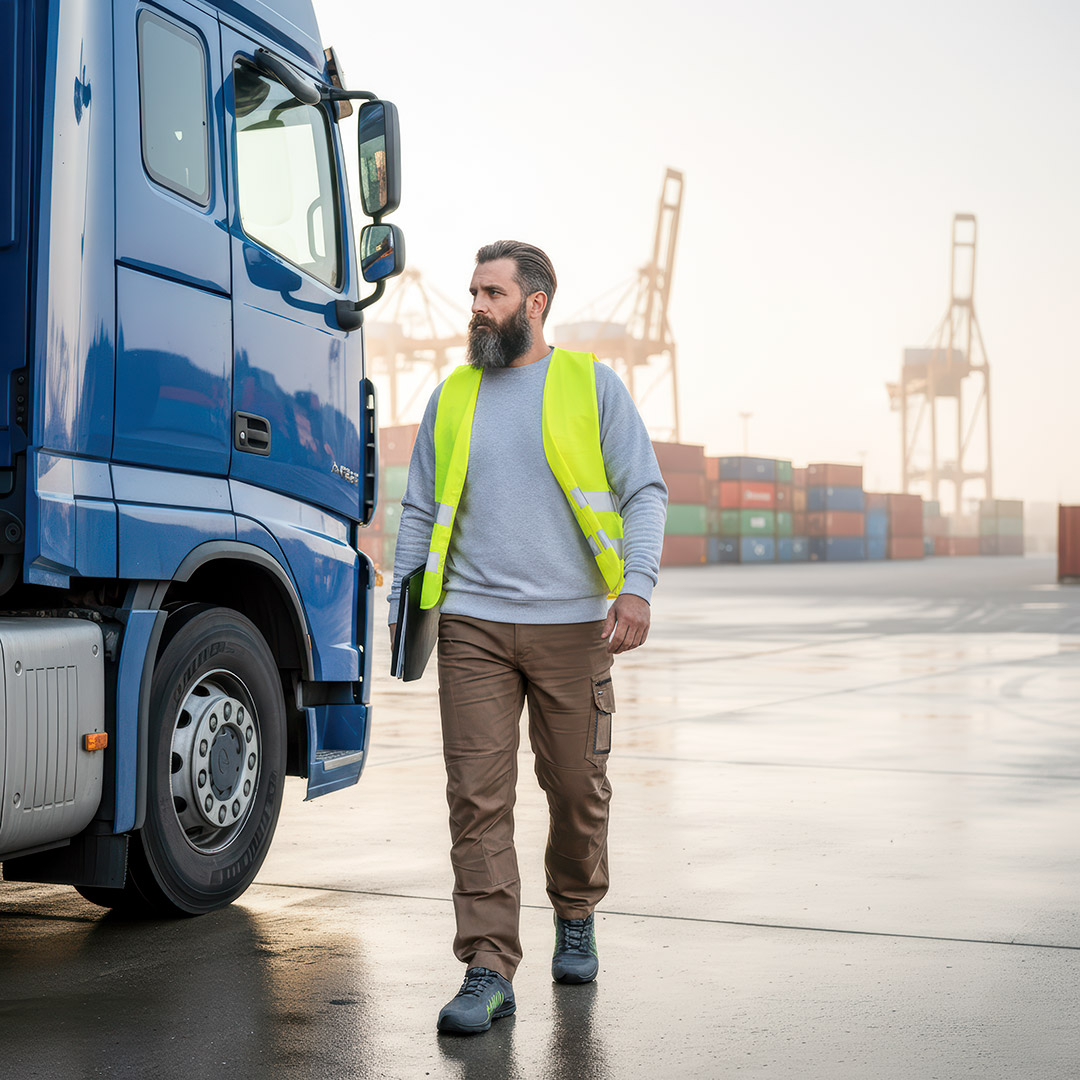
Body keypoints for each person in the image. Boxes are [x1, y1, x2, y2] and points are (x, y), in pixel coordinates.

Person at [388, 240, 667, 1035]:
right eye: (474, 292)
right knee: (476, 800)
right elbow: (419, 507)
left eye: (493, 293)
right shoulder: (453, 395)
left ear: (535, 303)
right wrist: (405, 606)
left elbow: (644, 490)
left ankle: (575, 912)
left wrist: (637, 585)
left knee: (578, 789)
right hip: (472, 625)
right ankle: (487, 966)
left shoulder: (590, 383)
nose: (477, 306)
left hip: (574, 626)